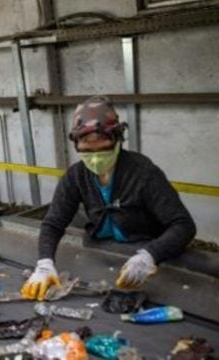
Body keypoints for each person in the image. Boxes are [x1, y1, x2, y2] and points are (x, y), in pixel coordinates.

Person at [21, 96, 196, 300]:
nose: (95, 157)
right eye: (87, 150)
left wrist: (150, 255)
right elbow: (53, 224)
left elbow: (183, 225)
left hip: (144, 250)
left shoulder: (144, 173)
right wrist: (44, 263)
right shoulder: (76, 176)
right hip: (102, 250)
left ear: (117, 139)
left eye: (102, 148)